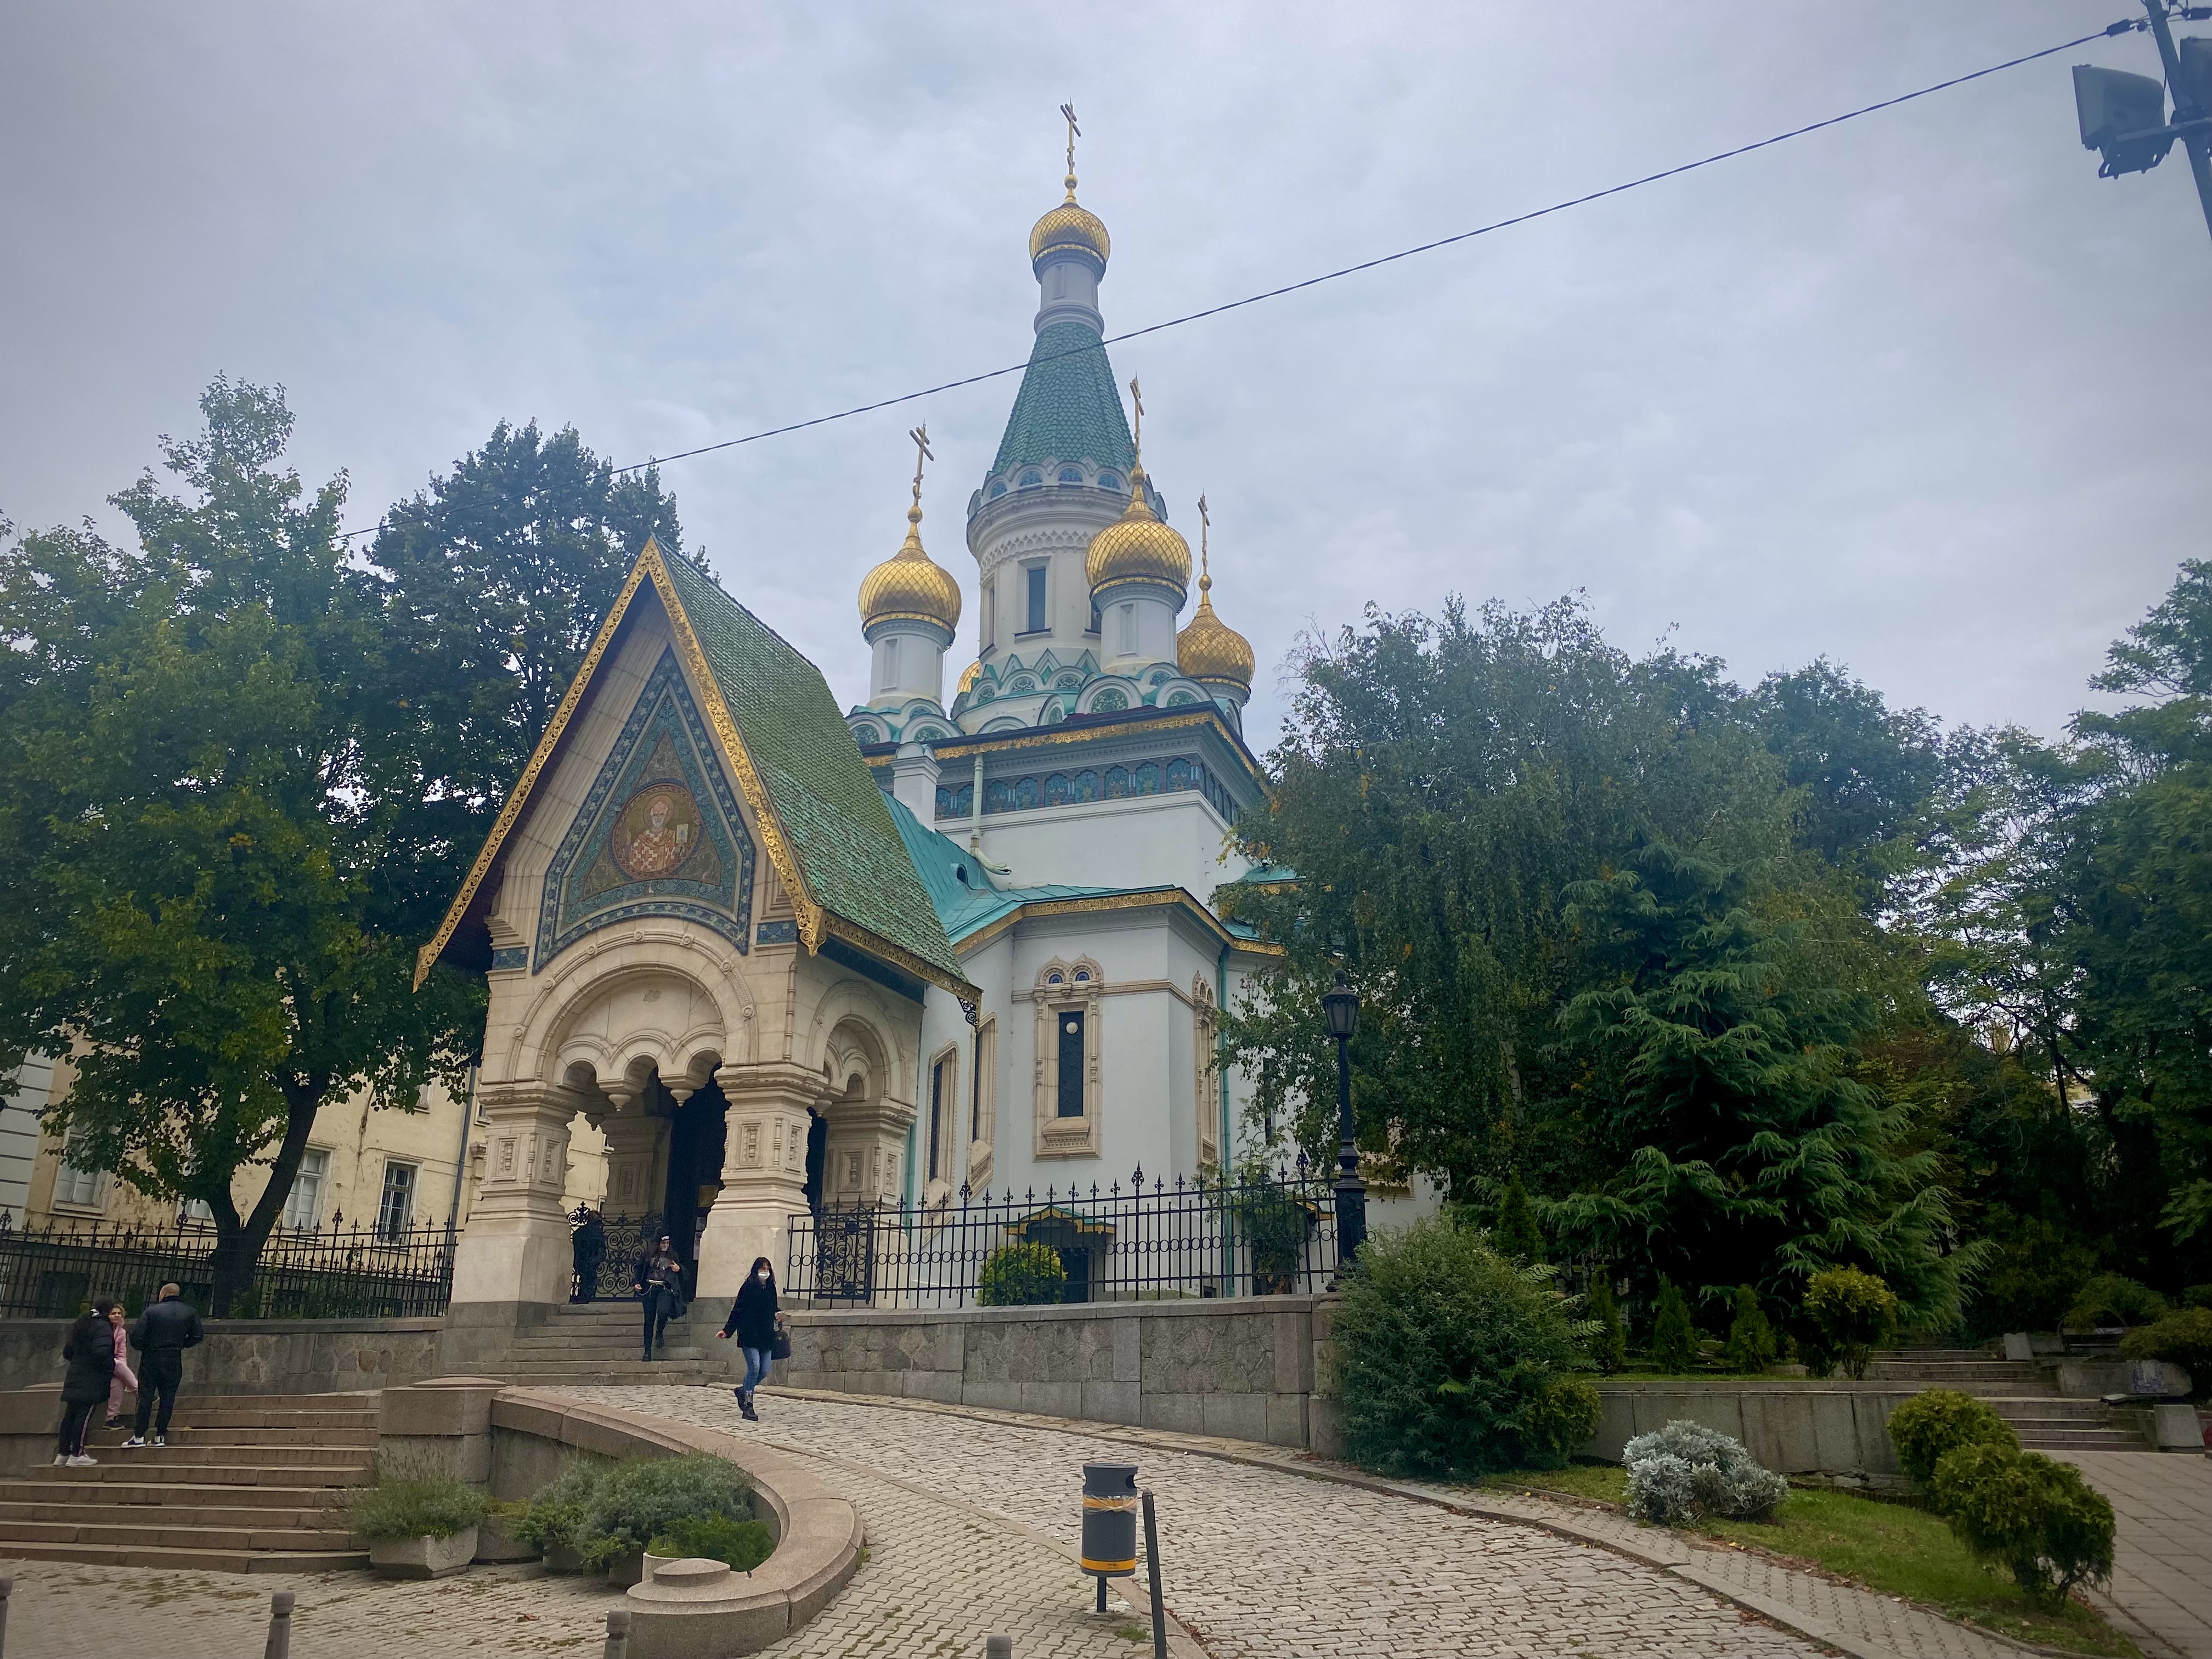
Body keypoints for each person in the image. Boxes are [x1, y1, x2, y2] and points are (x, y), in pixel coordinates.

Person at [123, 1280, 204, 1448]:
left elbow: (137, 1336)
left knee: (146, 1397)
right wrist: (182, 1344)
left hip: (152, 1357)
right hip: (174, 1357)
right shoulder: (190, 1312)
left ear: (163, 1293)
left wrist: (146, 1347)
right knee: (168, 1397)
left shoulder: (152, 1311)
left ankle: (139, 1436)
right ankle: (160, 1434)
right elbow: (197, 1335)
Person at [718, 1256, 781, 1421]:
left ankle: (743, 1389)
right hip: (749, 1333)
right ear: (756, 1270)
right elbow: (738, 1310)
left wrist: (778, 1315)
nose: (765, 1272)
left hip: (766, 1334)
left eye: (768, 1269)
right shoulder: (748, 1287)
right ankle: (748, 1403)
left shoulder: (770, 1288)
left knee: (765, 1369)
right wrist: (727, 1330)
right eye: (762, 1269)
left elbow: (773, 1307)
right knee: (754, 1366)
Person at [57, 1300, 117, 1466]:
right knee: (84, 1415)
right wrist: (109, 1368)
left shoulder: (82, 1323)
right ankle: (78, 1453)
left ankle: (63, 1452)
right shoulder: (102, 1326)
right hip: (92, 1377)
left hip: (76, 1373)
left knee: (70, 1414)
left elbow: (68, 1351)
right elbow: (102, 1352)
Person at [631, 1234, 684, 1360]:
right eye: (663, 1243)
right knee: (649, 1320)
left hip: (664, 1289)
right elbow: (639, 1269)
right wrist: (636, 1282)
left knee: (663, 1312)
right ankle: (647, 1350)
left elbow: (682, 1274)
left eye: (667, 1243)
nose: (665, 1246)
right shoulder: (648, 1255)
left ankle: (659, 1332)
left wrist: (678, 1269)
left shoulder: (673, 1255)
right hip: (649, 1289)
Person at [104, 1301, 138, 1429]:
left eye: (119, 1313)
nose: (117, 1316)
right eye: (113, 1314)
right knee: (117, 1365)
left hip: (114, 1365)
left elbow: (122, 1354)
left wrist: (121, 1371)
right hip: (101, 1363)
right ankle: (139, 1392)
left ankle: (111, 1419)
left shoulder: (121, 1332)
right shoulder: (102, 1329)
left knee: (119, 1382)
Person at [571, 1208, 606, 1304]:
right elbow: (601, 1247)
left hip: (581, 1259)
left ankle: (582, 1297)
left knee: (584, 1279)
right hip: (591, 1260)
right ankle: (585, 1298)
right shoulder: (597, 1232)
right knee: (590, 1280)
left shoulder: (580, 1231)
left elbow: (575, 1240)